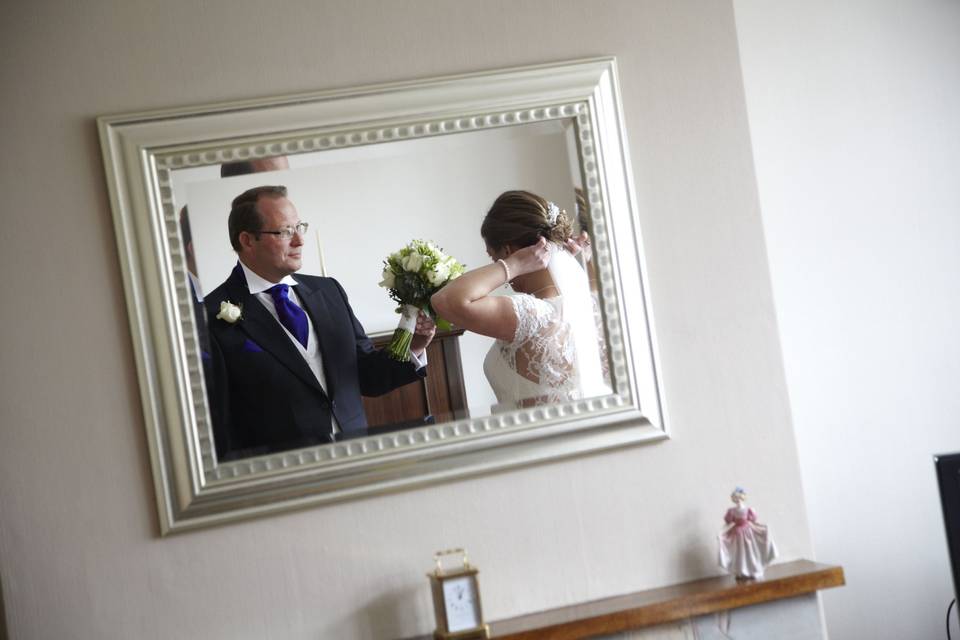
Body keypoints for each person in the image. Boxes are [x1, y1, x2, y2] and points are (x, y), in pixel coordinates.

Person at [205, 185, 435, 460]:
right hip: (283, 476)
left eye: (299, 227)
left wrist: (414, 346)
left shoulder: (329, 292)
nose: (300, 241)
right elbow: (220, 420)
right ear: (247, 240)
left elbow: (368, 376)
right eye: (285, 231)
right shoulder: (208, 315)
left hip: (357, 458)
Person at [431, 190, 609, 411]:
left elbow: (446, 300)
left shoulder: (531, 315)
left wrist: (513, 265)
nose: (496, 263)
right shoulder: (592, 304)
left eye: (494, 257)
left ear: (508, 250)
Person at [717, 487, 778, 579]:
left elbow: (753, 522)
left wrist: (763, 526)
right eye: (735, 498)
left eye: (739, 498)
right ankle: (741, 570)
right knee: (739, 553)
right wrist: (720, 533)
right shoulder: (732, 511)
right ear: (733, 499)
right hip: (737, 534)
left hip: (748, 532)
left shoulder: (748, 510)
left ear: (742, 497)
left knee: (750, 551)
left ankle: (753, 569)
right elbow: (728, 524)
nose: (738, 500)